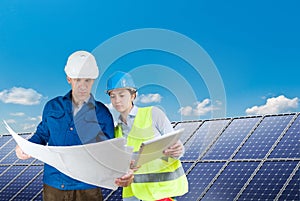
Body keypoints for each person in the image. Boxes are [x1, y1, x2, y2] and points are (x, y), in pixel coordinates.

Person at [15, 51, 134, 201]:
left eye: (88, 81)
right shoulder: (52, 106)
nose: (83, 86)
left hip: (88, 188)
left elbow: (110, 152)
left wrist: (124, 172)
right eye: (78, 80)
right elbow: (42, 135)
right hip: (54, 187)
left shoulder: (102, 113)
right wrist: (25, 146)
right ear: (69, 79)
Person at [106, 71, 188, 201]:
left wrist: (178, 150)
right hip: (132, 195)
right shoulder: (116, 130)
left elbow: (177, 147)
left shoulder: (154, 114)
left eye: (122, 95)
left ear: (133, 96)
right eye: (112, 96)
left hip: (160, 193)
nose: (117, 100)